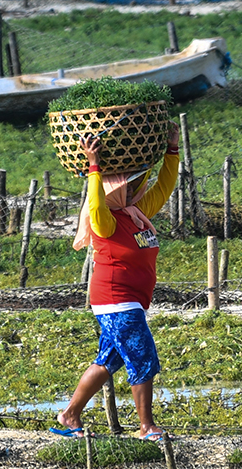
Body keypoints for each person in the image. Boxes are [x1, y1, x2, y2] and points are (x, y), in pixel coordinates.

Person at [50, 125, 180, 440]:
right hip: (116, 300)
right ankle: (146, 426)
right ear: (116, 190)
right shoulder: (106, 221)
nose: (139, 188)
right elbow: (94, 205)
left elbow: (164, 188)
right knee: (142, 355)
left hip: (129, 300)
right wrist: (94, 166)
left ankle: (69, 415)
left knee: (109, 360)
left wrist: (172, 150)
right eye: (132, 184)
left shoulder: (135, 213)